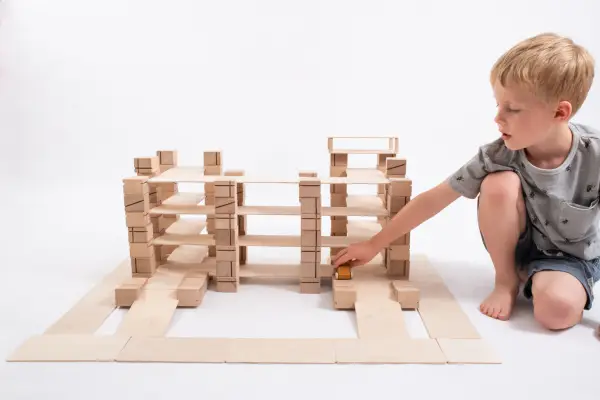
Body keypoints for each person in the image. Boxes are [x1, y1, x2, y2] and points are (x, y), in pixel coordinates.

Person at [332, 32, 599, 333]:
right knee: (498, 184)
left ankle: (556, 283)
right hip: (521, 249)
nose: (498, 118)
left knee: (556, 314)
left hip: (571, 258)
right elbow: (433, 199)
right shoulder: (497, 155)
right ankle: (507, 280)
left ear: (559, 112)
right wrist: (373, 244)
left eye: (512, 109)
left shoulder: (595, 154)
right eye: (498, 104)